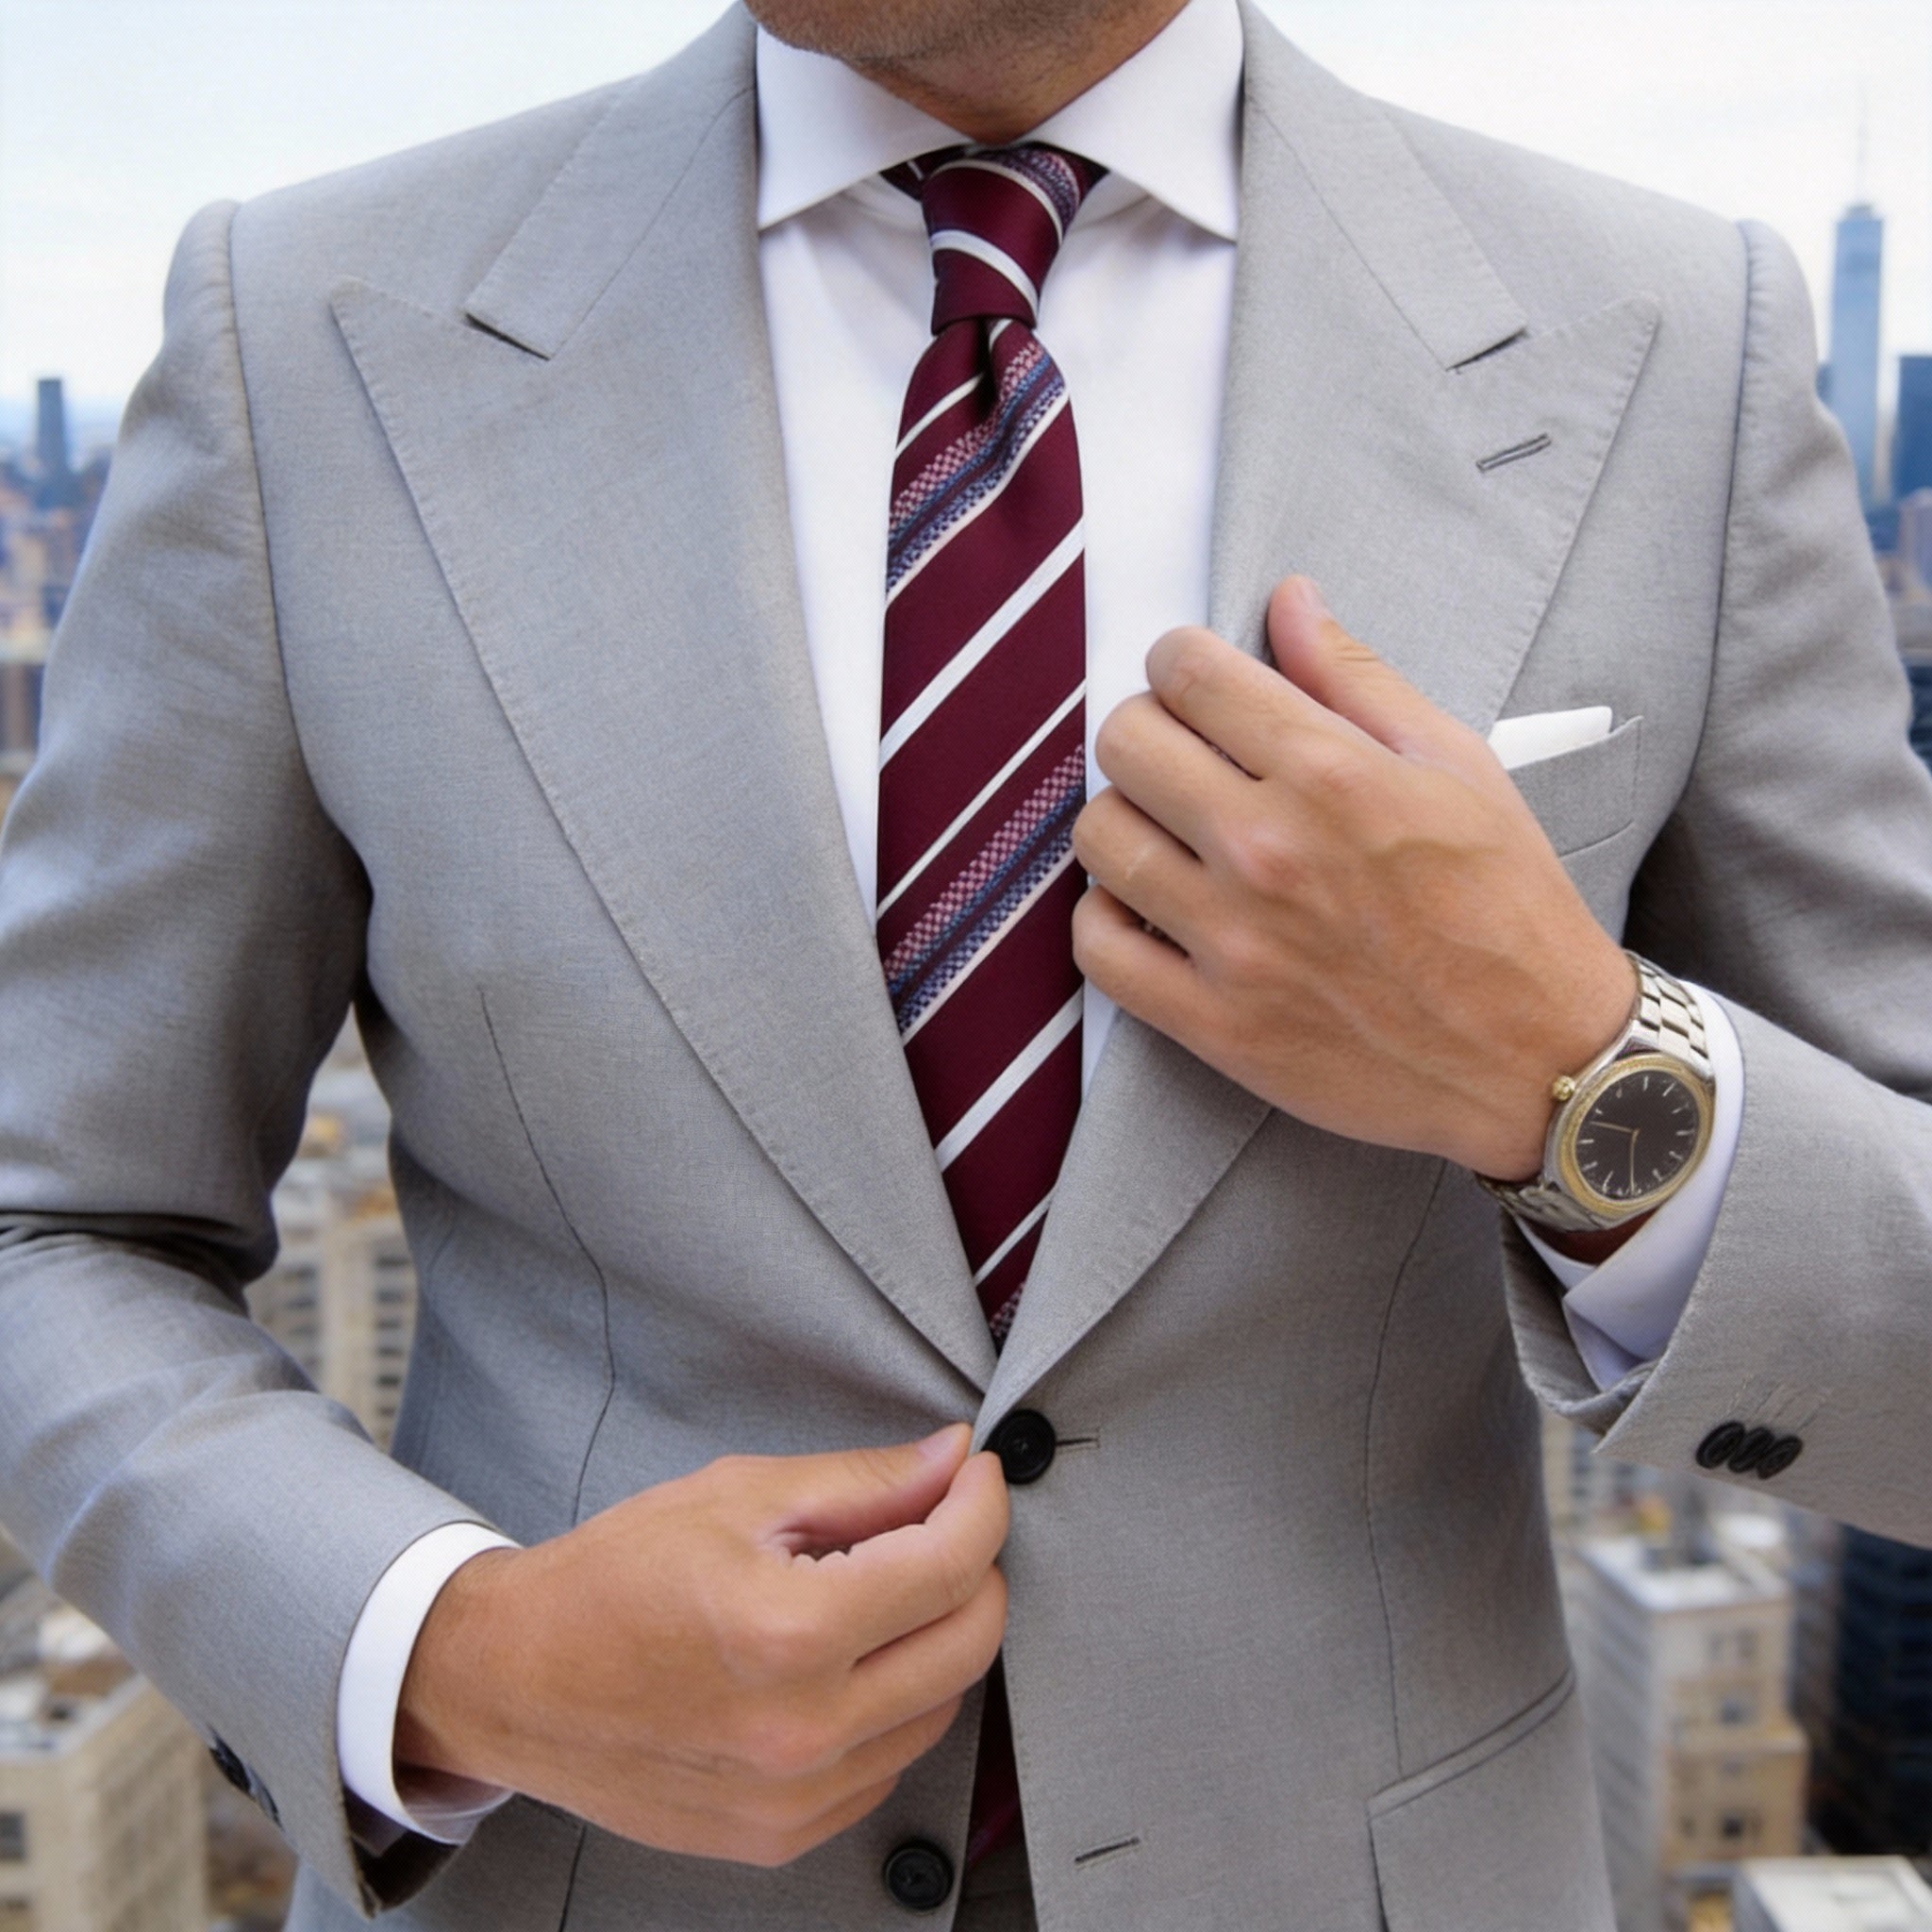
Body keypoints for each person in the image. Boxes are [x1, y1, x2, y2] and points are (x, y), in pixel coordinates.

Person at [1, 0, 1928, 1926]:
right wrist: (456, 1655)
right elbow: (49, 1223)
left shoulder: (1678, 348)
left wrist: (1580, 1074)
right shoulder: (306, 333)